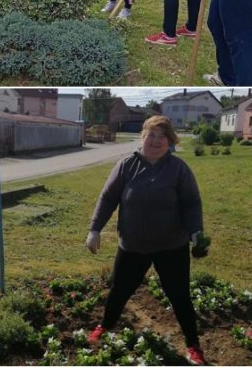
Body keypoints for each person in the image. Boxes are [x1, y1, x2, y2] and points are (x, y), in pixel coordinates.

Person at [86, 115, 208, 365]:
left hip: (171, 247)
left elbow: (191, 203)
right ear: (143, 137)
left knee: (180, 296)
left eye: (162, 136)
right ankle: (105, 326)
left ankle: (193, 345)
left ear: (170, 141)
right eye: (151, 135)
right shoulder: (126, 166)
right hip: (132, 246)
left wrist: (196, 232)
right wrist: (95, 229)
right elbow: (108, 198)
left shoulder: (179, 169)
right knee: (119, 291)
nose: (156, 141)